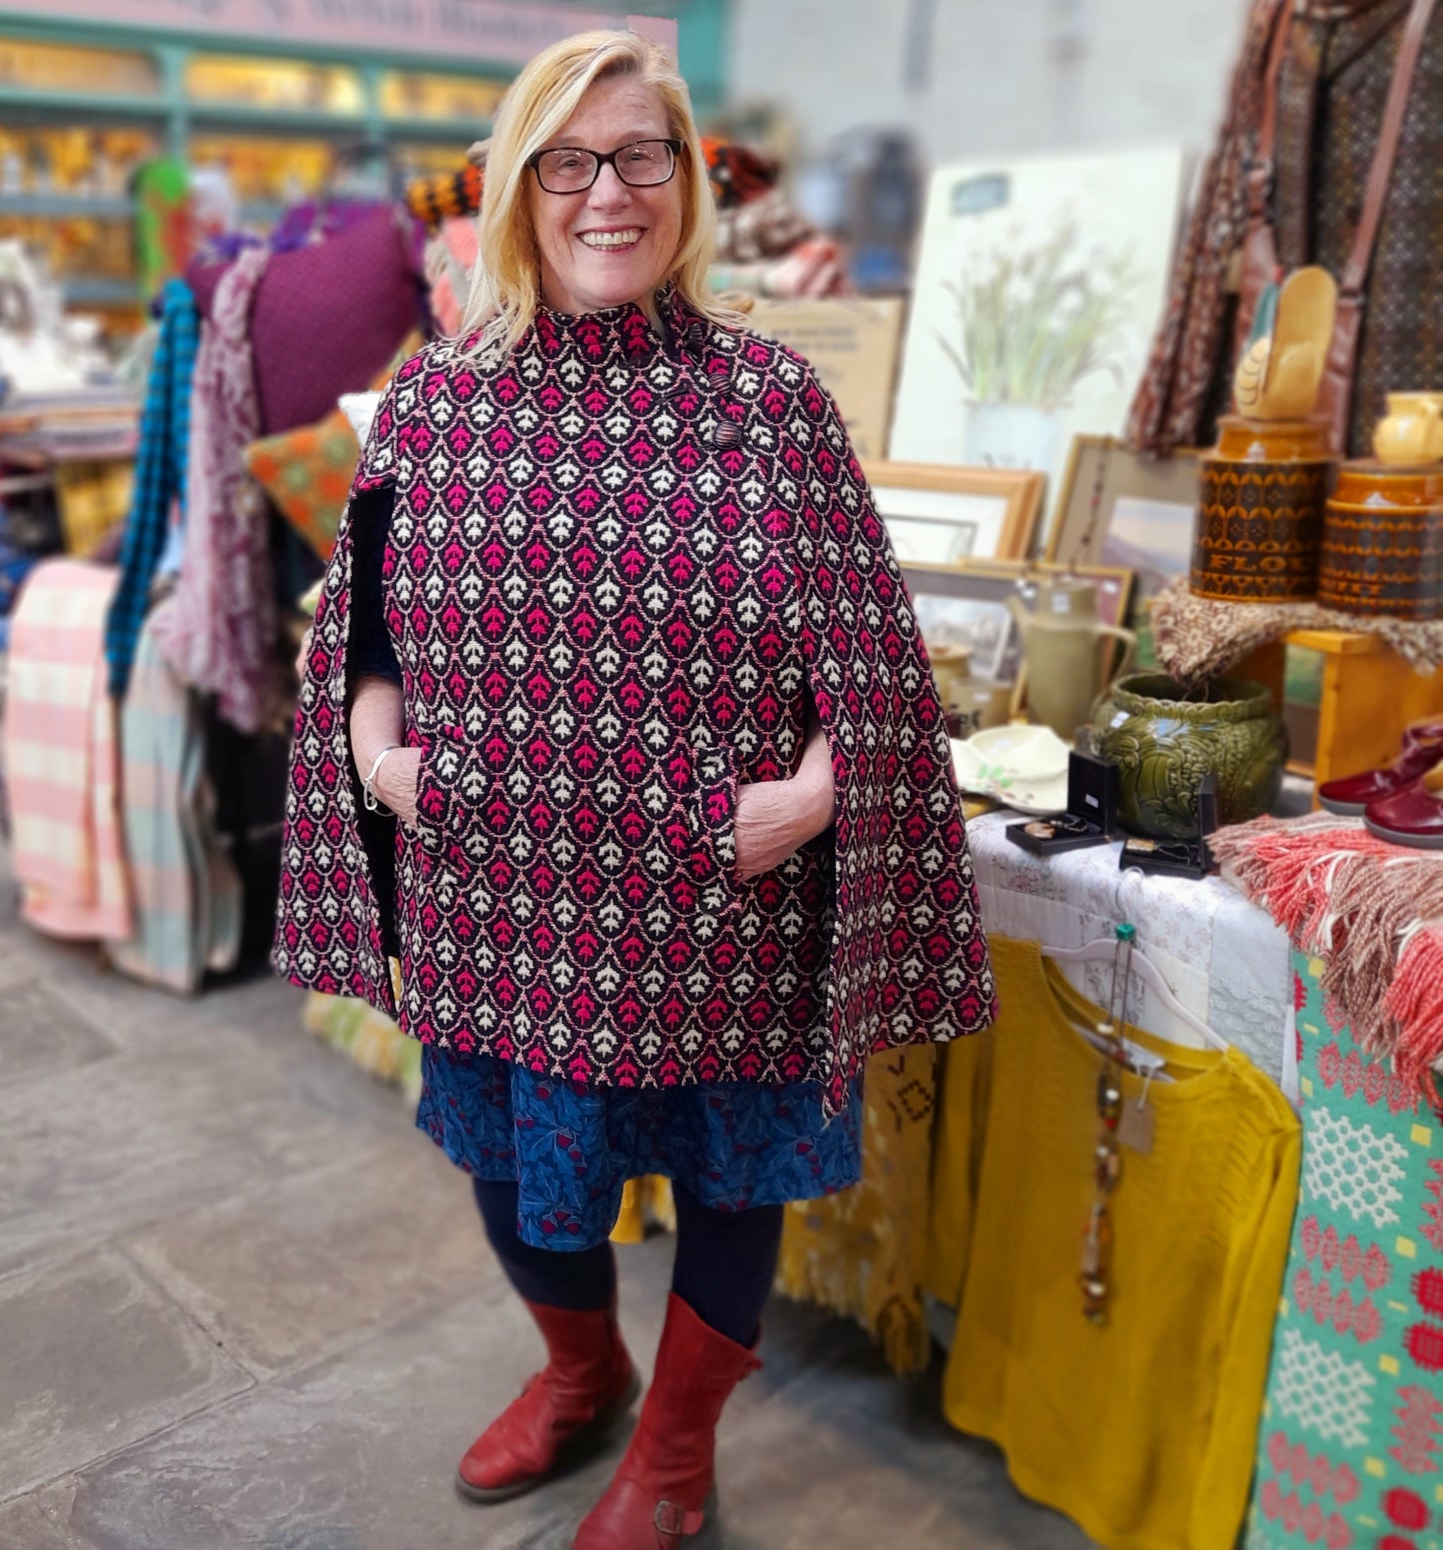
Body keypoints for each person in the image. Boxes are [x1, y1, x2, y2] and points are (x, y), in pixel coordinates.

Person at [274, 28, 995, 1549]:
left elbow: (868, 667)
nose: (610, 193)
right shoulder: (436, 403)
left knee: (734, 1172)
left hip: (715, 898)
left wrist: (805, 800)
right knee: (501, 1155)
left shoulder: (768, 401)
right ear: (520, 187)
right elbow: (363, 640)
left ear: (687, 180)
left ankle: (674, 1449)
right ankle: (582, 1369)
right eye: (570, 161)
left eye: (641, 156)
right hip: (502, 894)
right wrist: (385, 756)